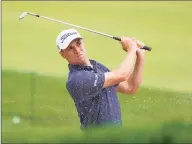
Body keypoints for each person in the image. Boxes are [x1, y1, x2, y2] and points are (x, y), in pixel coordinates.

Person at [56, 28, 146, 130]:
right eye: (70, 48)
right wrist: (132, 49)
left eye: (78, 43)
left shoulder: (98, 67)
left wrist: (140, 55)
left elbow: (130, 88)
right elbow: (122, 74)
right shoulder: (76, 79)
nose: (77, 50)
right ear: (62, 54)